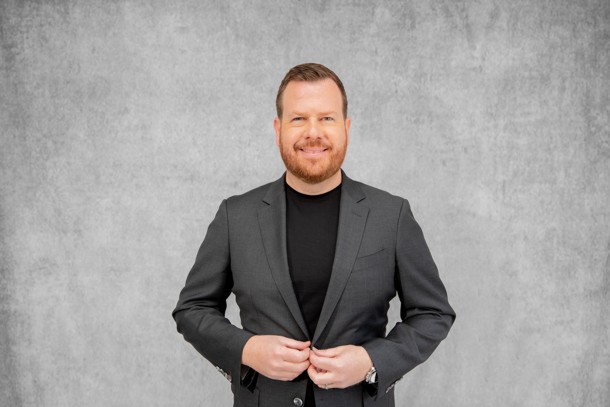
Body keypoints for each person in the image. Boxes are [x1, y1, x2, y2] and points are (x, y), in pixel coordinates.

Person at [172, 63, 455, 407]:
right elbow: (193, 309)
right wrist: (248, 350)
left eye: (327, 118)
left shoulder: (391, 216)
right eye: (298, 118)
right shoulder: (236, 216)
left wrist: (370, 362)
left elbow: (433, 313)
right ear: (278, 129)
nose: (313, 132)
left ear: (346, 128)